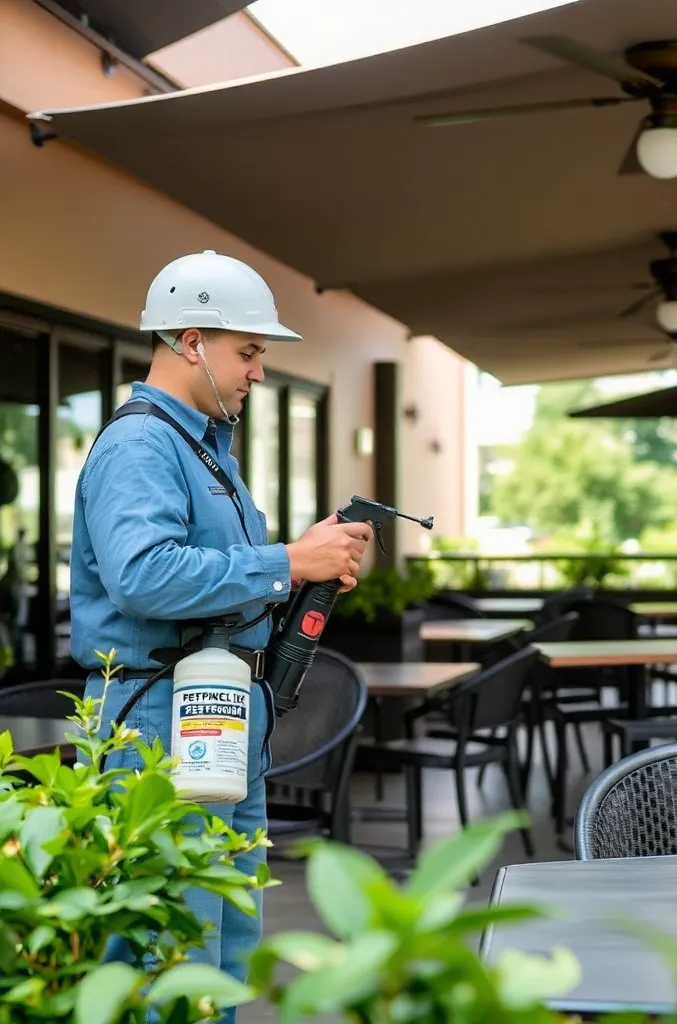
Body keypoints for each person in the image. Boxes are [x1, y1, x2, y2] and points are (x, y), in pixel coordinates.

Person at [69, 249, 371, 1016]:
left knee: (224, 946)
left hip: (218, 712)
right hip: (155, 721)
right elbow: (144, 576)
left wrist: (304, 565)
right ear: (190, 340)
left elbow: (219, 575)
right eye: (249, 352)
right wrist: (286, 559)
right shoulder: (141, 445)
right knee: (168, 953)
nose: (259, 373)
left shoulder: (202, 448)